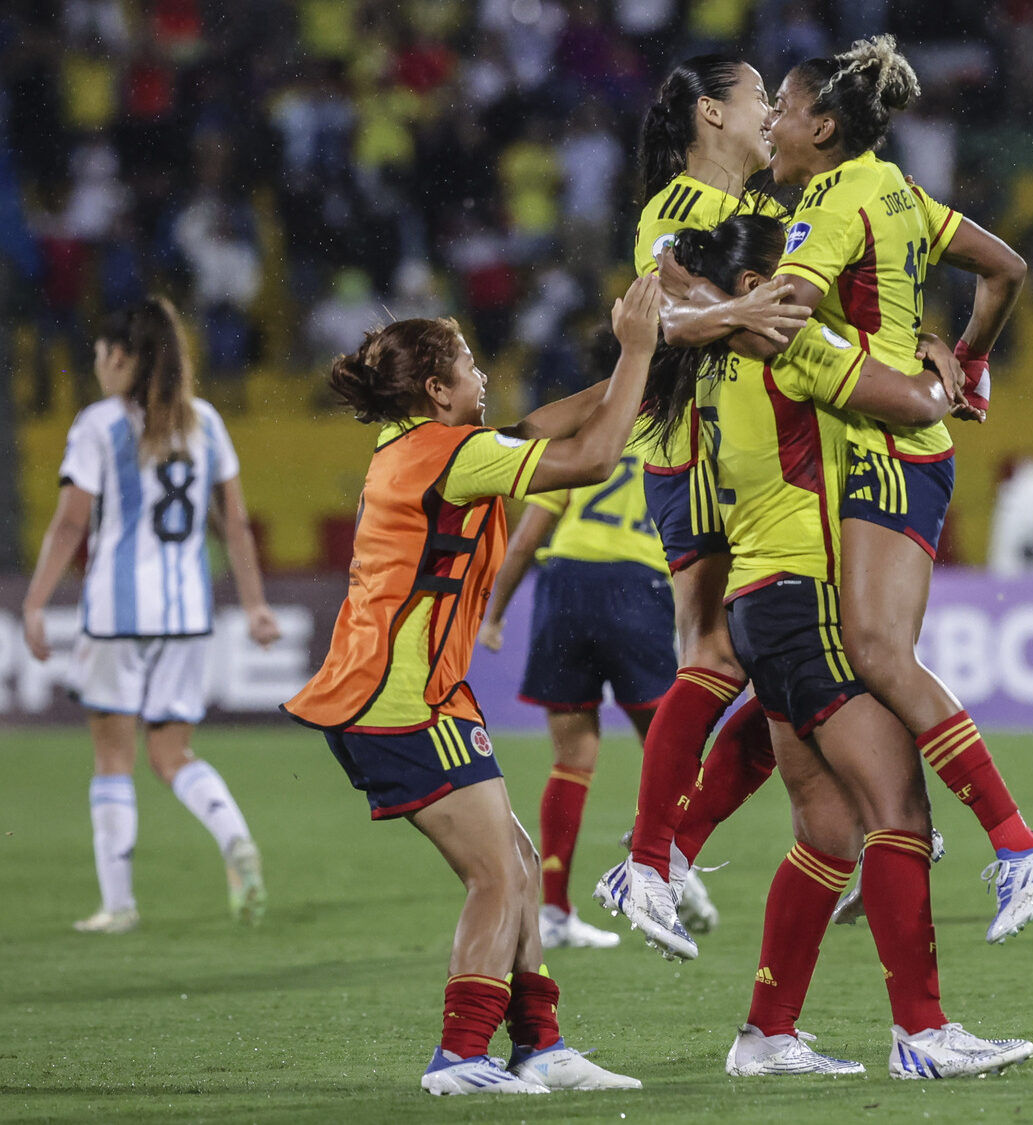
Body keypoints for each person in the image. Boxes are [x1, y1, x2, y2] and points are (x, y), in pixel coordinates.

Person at [667, 212, 1033, 1078]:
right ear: (761, 285)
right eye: (795, 267)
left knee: (830, 831)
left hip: (771, 600)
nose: (814, 277)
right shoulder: (784, 343)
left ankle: (765, 1031)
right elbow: (909, 406)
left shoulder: (728, 345)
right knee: (897, 808)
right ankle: (924, 1032)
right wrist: (947, 378)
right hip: (803, 600)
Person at [281, 279, 661, 1096]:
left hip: (407, 693)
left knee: (518, 859)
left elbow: (540, 426)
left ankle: (540, 1043)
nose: (484, 376)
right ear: (436, 389)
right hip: (402, 699)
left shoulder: (418, 446)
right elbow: (592, 457)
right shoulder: (453, 457)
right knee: (499, 873)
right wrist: (634, 354)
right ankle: (461, 1055)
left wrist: (651, 368)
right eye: (471, 364)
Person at [746, 36, 1033, 942]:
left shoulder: (833, 203)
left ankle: (1014, 840)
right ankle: (899, 835)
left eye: (782, 108)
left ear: (822, 123)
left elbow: (783, 314)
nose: (770, 123)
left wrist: (695, 310)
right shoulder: (894, 187)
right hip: (909, 439)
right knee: (846, 665)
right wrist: (970, 360)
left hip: (887, 446)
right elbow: (1006, 268)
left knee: (876, 653)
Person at [594, 55, 808, 957]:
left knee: (787, 669)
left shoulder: (757, 211)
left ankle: (667, 851)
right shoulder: (680, 207)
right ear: (714, 114)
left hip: (747, 451)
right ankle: (651, 857)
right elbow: (660, 309)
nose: (772, 116)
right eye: (762, 99)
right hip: (693, 448)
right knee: (721, 653)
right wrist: (744, 313)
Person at [19, 297, 277, 936]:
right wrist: (255, 605)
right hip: (188, 612)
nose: (98, 366)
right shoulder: (207, 423)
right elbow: (235, 523)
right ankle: (234, 837)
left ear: (121, 358)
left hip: (116, 611)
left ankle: (119, 904)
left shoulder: (99, 424)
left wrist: (34, 601)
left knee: (114, 758)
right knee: (173, 752)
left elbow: (72, 521)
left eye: (102, 355)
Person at [478, 341, 676, 953]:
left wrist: (494, 616)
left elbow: (525, 539)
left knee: (572, 757)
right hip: (638, 588)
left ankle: (558, 911)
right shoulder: (682, 428)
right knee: (671, 747)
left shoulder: (589, 434)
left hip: (565, 584)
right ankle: (666, 869)